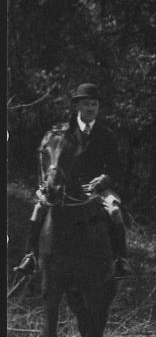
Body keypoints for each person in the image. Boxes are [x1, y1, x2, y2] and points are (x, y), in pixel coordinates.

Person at [13, 83, 131, 279]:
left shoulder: (106, 135)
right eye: (86, 104)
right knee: (39, 208)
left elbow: (115, 168)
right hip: (63, 185)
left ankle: (120, 259)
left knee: (115, 211)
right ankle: (31, 256)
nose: (91, 108)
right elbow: (46, 158)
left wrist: (104, 179)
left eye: (94, 104)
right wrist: (47, 181)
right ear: (77, 106)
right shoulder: (62, 132)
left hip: (96, 188)